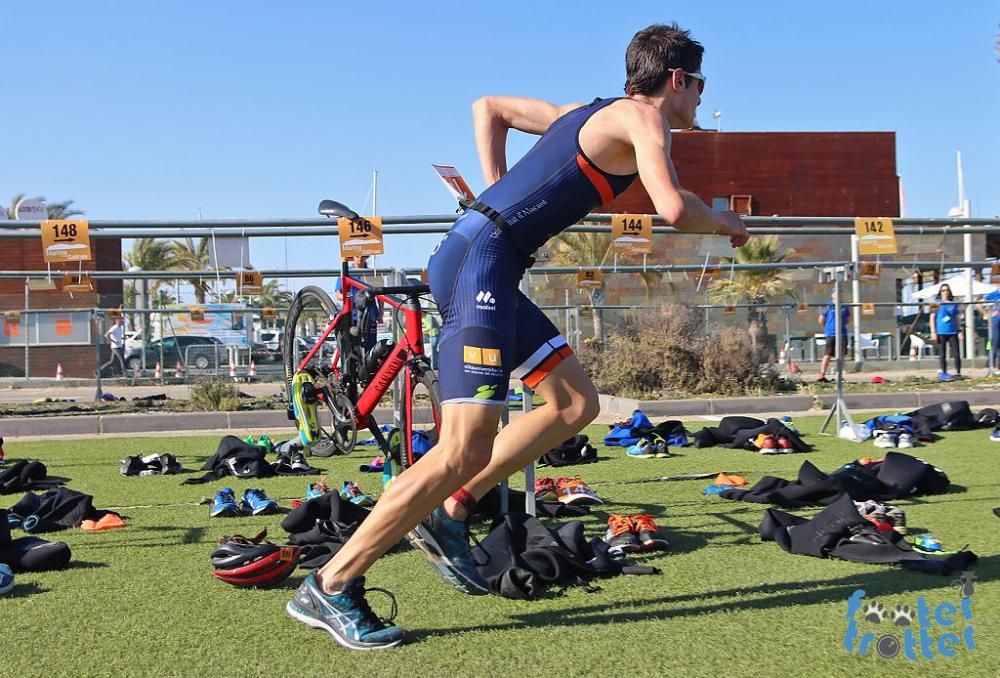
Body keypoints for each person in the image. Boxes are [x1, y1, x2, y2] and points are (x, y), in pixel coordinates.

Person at [286, 22, 749, 650]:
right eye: (700, 86)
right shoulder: (645, 119)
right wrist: (724, 224)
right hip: (480, 263)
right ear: (677, 80)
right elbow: (671, 207)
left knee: (572, 405)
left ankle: (455, 510)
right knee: (459, 449)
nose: (699, 99)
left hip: (491, 262)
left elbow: (490, 107)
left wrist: (495, 192)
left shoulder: (582, 115)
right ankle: (333, 583)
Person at [816, 289, 850, 382]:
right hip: (831, 334)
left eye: (840, 292)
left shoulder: (845, 306)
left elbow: (847, 320)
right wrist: (828, 328)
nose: (838, 294)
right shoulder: (827, 305)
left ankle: (839, 375)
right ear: (832, 294)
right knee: (828, 354)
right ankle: (822, 374)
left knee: (841, 355)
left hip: (842, 333)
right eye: (836, 293)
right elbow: (821, 320)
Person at [931, 284, 961, 380]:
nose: (945, 292)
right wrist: (933, 332)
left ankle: (958, 372)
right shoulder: (936, 303)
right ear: (940, 292)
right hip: (941, 331)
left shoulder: (953, 303)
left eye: (947, 290)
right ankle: (943, 372)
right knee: (942, 353)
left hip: (952, 331)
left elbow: (957, 318)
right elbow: (932, 317)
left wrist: (959, 330)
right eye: (943, 290)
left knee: (956, 352)